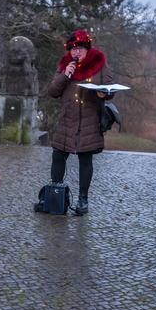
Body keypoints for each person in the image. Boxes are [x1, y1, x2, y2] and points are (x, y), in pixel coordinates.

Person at [47, 29, 114, 215]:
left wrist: (104, 92)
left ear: (88, 49)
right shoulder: (64, 65)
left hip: (89, 121)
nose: (76, 53)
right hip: (67, 120)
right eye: (73, 49)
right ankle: (56, 193)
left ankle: (83, 199)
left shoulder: (99, 63)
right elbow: (52, 91)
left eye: (80, 49)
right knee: (58, 155)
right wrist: (65, 75)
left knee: (86, 159)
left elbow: (110, 88)